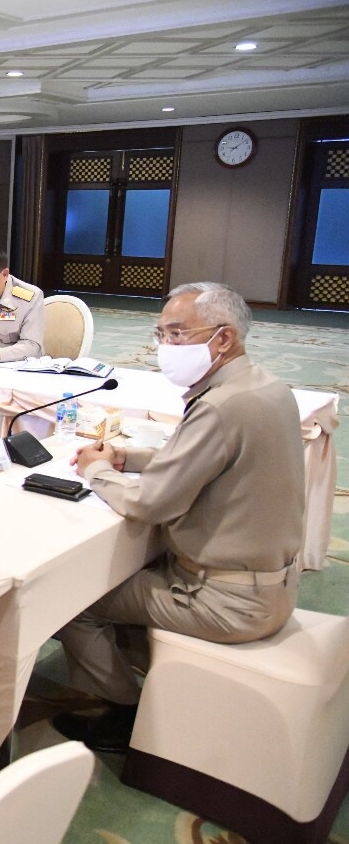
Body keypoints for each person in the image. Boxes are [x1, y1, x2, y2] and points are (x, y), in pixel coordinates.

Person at [54, 282, 304, 752]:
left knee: (71, 599)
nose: (164, 347)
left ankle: (120, 714)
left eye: (176, 334)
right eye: (161, 334)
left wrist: (98, 471)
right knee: (129, 569)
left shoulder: (221, 406)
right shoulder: (265, 387)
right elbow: (204, 460)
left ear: (223, 338)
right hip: (272, 584)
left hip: (227, 601)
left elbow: (151, 504)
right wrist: (128, 457)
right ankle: (151, 678)